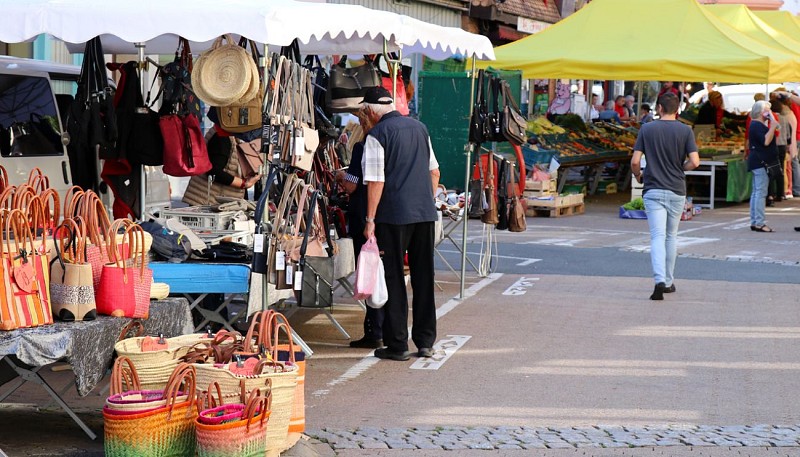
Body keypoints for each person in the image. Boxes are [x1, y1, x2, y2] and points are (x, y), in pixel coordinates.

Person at [361, 86, 440, 361]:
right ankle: (426, 341)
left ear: (371, 111)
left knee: (393, 277)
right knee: (423, 276)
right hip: (424, 213)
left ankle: (397, 344)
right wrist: (426, 200)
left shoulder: (377, 135)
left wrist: (370, 219)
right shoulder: (420, 128)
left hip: (393, 215)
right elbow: (434, 172)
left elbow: (376, 181)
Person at [630, 92, 699, 301]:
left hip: (653, 189)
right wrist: (681, 168)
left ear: (659, 108)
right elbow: (695, 161)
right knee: (671, 236)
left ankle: (659, 279)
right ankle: (668, 282)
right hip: (677, 189)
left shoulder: (647, 129)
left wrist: (638, 176)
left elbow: (635, 161)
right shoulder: (686, 130)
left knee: (657, 236)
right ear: (677, 109)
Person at [336, 109, 384, 349]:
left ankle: (374, 329)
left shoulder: (362, 147)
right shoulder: (390, 144)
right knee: (385, 273)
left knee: (368, 272)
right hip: (387, 215)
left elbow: (352, 185)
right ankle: (383, 328)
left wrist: (341, 177)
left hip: (364, 216)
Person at [182, 126, 262, 206]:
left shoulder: (225, 134)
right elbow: (214, 172)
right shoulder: (221, 138)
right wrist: (244, 183)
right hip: (211, 202)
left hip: (213, 200)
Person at [748, 100, 779, 233]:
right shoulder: (756, 125)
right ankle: (759, 223)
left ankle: (755, 222)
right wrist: (772, 126)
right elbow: (766, 141)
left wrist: (772, 124)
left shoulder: (756, 124)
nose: (770, 112)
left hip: (758, 162)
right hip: (760, 162)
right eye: (767, 110)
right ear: (762, 112)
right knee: (760, 193)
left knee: (757, 192)